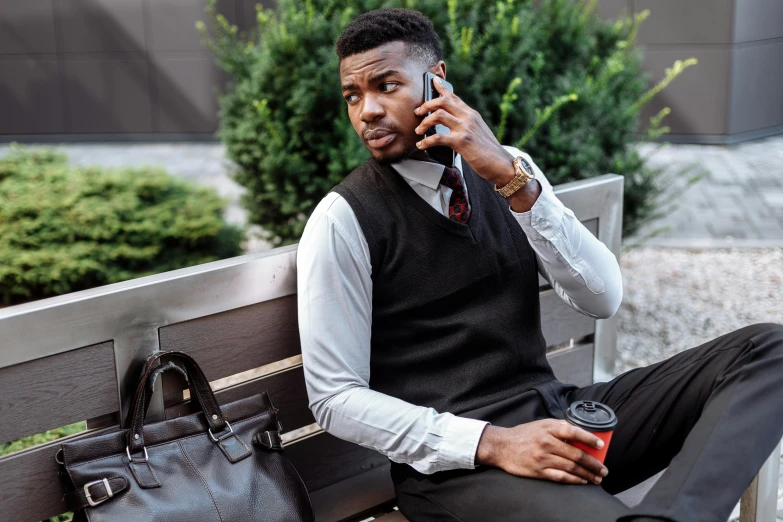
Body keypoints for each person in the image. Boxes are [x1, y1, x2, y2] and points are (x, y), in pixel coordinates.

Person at [296, 7, 783, 522]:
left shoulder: (509, 168)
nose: (366, 110)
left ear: (437, 82)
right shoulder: (343, 219)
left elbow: (602, 297)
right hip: (461, 471)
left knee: (767, 349)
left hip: (557, 413)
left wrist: (516, 182)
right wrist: (495, 443)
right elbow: (335, 398)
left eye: (386, 85)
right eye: (353, 95)